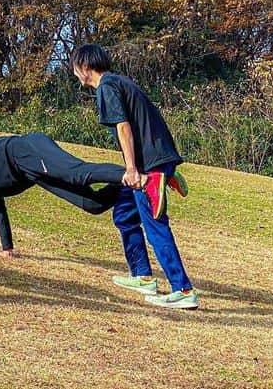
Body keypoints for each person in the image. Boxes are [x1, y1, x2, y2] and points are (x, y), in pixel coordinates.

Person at [72, 43, 198, 310]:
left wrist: (131, 168)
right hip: (155, 161)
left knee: (155, 226)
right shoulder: (120, 81)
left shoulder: (106, 86)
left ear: (84, 67)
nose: (75, 75)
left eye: (75, 69)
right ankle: (142, 275)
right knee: (124, 215)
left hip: (147, 168)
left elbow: (123, 127)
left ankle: (183, 289)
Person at [0, 132, 127, 256]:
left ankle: (137, 175)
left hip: (26, 150)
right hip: (29, 171)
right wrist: (7, 248)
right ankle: (131, 186)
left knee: (76, 174)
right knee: (92, 204)